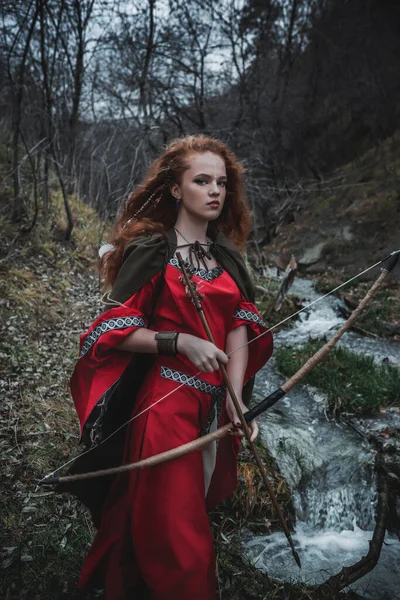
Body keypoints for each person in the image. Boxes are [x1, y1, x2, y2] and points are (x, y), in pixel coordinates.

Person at [68, 135, 273, 599]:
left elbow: (239, 326)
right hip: (165, 406)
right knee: (183, 541)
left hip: (214, 407)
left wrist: (238, 400)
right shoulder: (152, 251)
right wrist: (177, 341)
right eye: (202, 181)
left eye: (221, 182)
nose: (215, 191)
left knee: (176, 518)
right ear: (177, 189)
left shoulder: (227, 257)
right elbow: (108, 332)